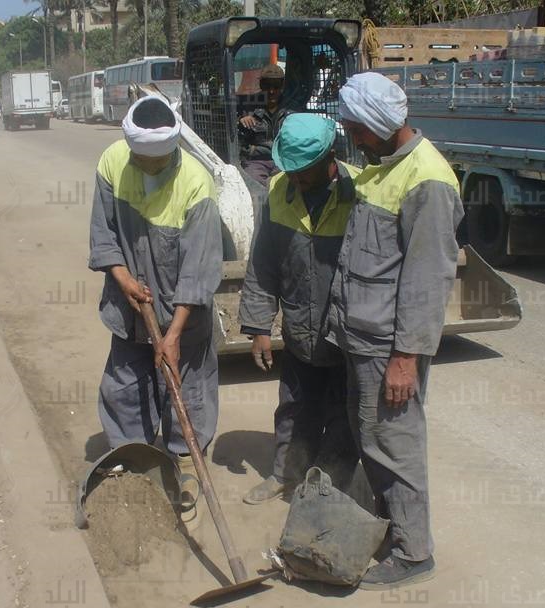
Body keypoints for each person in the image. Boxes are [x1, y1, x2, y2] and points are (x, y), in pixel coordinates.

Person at [329, 72, 462, 590]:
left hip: (389, 345)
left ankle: (413, 553)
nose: (352, 136)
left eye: (356, 128)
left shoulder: (428, 181)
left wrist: (405, 357)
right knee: (373, 437)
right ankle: (389, 527)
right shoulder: (383, 165)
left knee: (395, 442)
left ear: (379, 125)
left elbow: (428, 281)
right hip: (364, 335)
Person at [88, 96, 223, 523]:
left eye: (159, 160)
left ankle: (185, 464)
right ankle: (135, 460)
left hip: (183, 311)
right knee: (125, 386)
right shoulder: (111, 163)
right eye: (141, 160)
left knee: (187, 391)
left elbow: (198, 269)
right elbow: (104, 232)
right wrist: (122, 276)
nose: (150, 167)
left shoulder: (196, 183)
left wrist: (174, 333)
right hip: (130, 306)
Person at [238, 113, 360, 504]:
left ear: (330, 159)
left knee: (343, 415)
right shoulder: (278, 188)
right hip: (299, 328)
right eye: (289, 171)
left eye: (303, 173)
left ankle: (325, 490)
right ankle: (285, 475)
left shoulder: (361, 191)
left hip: (346, 334)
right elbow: (263, 263)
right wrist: (258, 327)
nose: (295, 180)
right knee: (294, 407)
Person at [238, 64, 293, 186]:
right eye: (267, 86)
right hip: (256, 161)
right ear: (261, 85)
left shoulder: (291, 107)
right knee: (252, 182)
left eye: (276, 86)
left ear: (282, 85)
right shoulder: (248, 106)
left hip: (284, 160)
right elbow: (238, 140)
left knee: (286, 184)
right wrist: (241, 121)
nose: (272, 91)